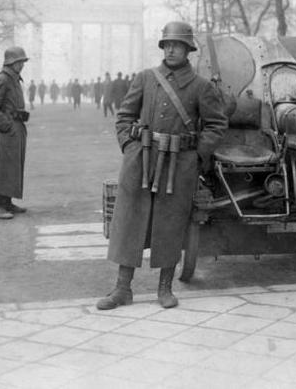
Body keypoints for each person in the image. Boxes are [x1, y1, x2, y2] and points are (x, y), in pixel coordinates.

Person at [96, 21, 228, 310]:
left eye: (176, 45)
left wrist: (194, 157)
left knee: (170, 224)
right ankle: (122, 289)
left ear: (188, 50)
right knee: (129, 221)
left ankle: (165, 288)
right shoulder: (145, 78)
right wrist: (130, 148)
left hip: (179, 165)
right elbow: (124, 117)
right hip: (140, 161)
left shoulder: (201, 87)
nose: (170, 49)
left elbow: (217, 125)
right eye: (166, 44)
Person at [0, 47, 31, 220]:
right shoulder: (2, 79)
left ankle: (7, 202)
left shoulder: (14, 79)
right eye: (19, 62)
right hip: (4, 131)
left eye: (22, 62)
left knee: (11, 168)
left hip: (15, 128)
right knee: (1, 169)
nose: (22, 65)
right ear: (11, 62)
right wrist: (6, 125)